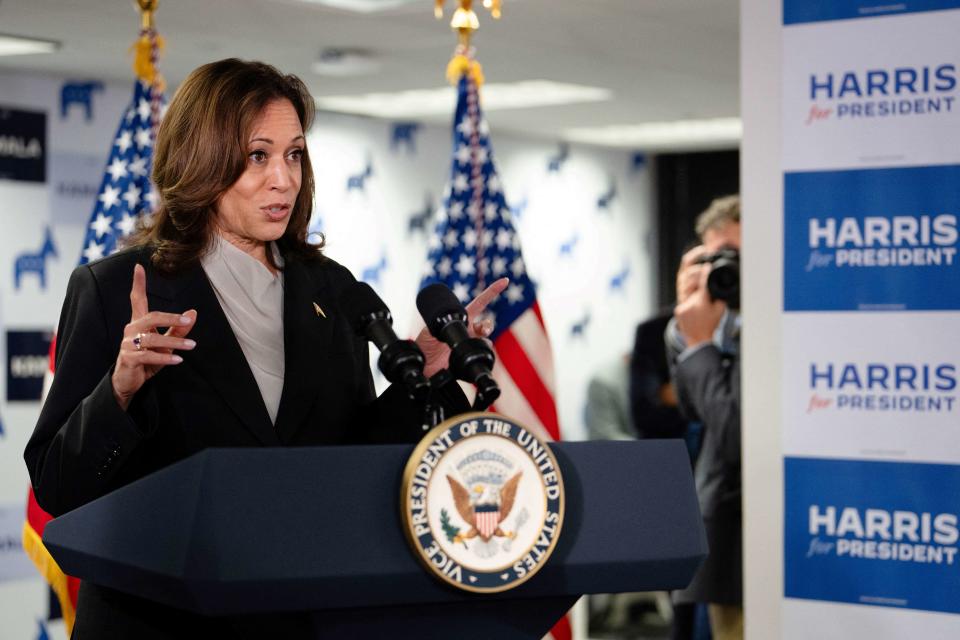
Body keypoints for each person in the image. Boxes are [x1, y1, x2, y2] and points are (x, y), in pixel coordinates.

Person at [24, 58, 505, 639]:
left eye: (294, 154)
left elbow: (348, 457)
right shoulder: (115, 288)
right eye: (259, 156)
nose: (284, 178)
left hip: (298, 616)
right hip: (157, 623)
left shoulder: (333, 289)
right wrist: (119, 390)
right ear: (203, 160)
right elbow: (57, 487)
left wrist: (427, 373)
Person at [666, 195, 742, 640]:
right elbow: (695, 411)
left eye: (734, 256)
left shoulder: (784, 323)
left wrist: (700, 346)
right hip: (721, 537)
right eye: (714, 257)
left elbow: (738, 436)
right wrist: (691, 335)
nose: (724, 270)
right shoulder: (720, 320)